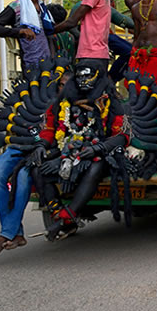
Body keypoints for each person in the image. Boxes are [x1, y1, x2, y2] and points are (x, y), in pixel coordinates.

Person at [0, 0, 56, 256]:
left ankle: (8, 233)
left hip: (46, 83)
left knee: (25, 176)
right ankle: (15, 233)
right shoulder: (18, 7)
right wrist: (19, 31)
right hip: (33, 78)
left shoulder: (46, 10)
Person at [33, 61, 130, 240]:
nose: (83, 80)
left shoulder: (110, 102)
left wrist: (99, 148)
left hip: (100, 154)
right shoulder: (61, 103)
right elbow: (48, 130)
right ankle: (58, 212)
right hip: (67, 150)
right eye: (80, 76)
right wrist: (41, 145)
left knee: (96, 166)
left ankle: (67, 217)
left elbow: (123, 136)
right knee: (37, 168)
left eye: (87, 76)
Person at [54, 0, 111, 81]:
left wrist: (49, 30)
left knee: (85, 95)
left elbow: (71, 22)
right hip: (99, 53)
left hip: (91, 53)